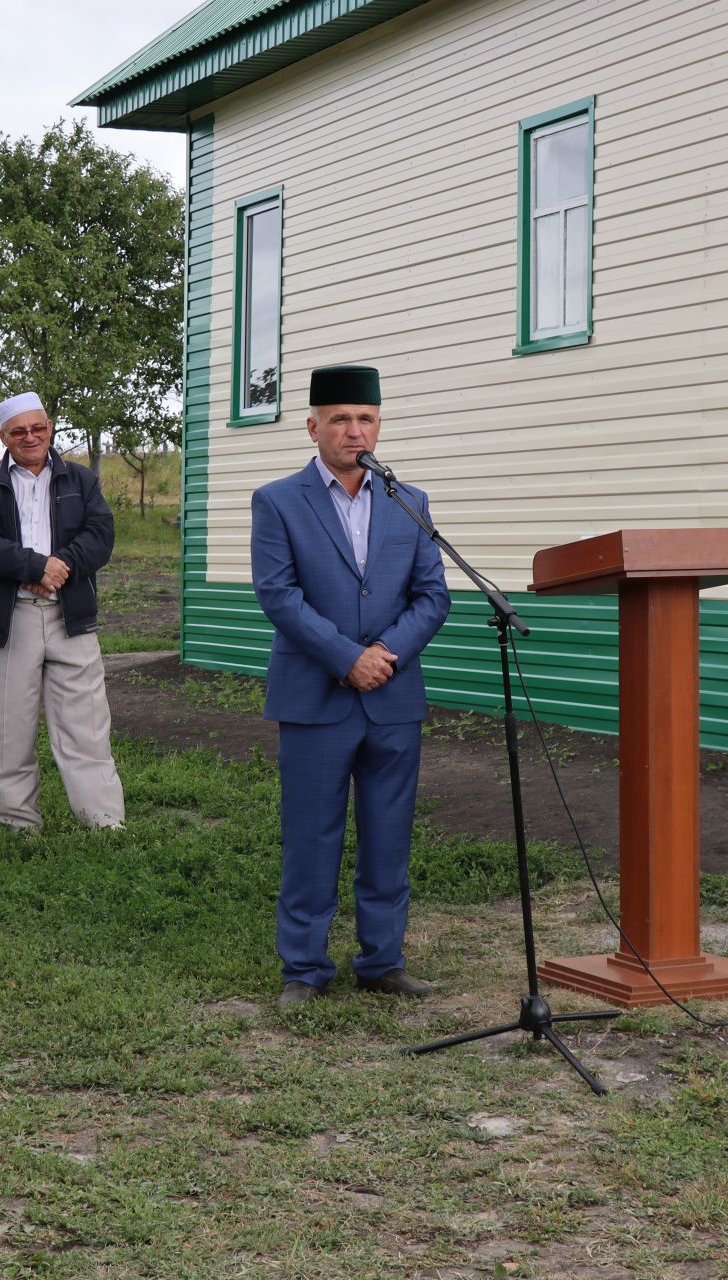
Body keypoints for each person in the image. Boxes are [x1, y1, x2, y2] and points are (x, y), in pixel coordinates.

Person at [250, 365, 452, 1008]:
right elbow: (278, 596)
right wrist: (347, 658)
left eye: (365, 419)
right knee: (312, 836)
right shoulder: (279, 501)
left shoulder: (408, 501)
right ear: (312, 427)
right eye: (340, 419)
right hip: (317, 697)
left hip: (392, 697)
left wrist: (386, 653)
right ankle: (304, 969)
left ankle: (382, 960)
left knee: (389, 833)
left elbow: (433, 595)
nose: (354, 431)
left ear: (379, 425)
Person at [0, 392, 124, 831]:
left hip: (70, 615)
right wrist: (35, 567)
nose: (30, 437)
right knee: (10, 729)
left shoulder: (81, 479)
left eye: (38, 428)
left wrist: (58, 568)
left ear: (50, 427)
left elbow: (100, 535)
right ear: (3, 436)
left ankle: (104, 822)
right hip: (11, 616)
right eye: (19, 431)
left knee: (87, 725)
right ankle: (19, 825)